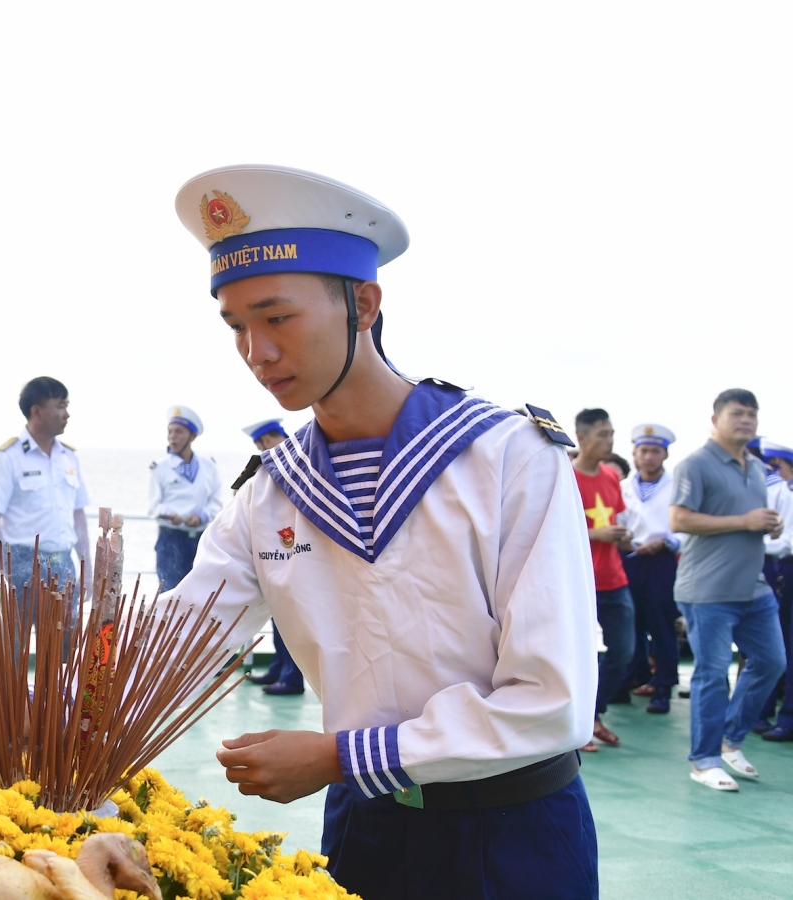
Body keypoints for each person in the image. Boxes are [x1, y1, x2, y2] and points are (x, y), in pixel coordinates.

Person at [161, 165, 598, 898]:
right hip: (366, 832)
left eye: (277, 317)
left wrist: (341, 758)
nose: (256, 353)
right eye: (236, 326)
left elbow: (551, 698)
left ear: (362, 303)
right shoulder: (269, 494)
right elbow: (178, 636)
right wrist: (49, 692)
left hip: (513, 834)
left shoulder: (504, 457)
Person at [669, 388, 786, 792]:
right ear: (715, 419)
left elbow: (752, 520)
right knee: (713, 674)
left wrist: (770, 524)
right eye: (737, 413)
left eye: (752, 414)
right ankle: (703, 761)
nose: (746, 420)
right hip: (708, 589)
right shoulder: (695, 465)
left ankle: (731, 739)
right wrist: (745, 521)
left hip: (753, 588)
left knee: (772, 661)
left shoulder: (755, 467)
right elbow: (679, 519)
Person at [0, 377, 91, 606]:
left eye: (67, 406)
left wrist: (86, 568)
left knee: (66, 641)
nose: (66, 414)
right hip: (21, 569)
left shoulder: (69, 457)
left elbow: (78, 515)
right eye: (60, 406)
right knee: (15, 642)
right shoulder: (6, 457)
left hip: (64, 566)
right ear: (36, 412)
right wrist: (1, 573)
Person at [571, 408, 634, 750]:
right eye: (602, 435)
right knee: (580, 654)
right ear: (581, 438)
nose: (609, 441)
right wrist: (599, 533)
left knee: (624, 651)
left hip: (614, 578)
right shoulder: (564, 476)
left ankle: (593, 714)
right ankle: (579, 723)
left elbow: (615, 517)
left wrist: (623, 537)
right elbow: (555, 528)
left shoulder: (611, 475)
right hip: (580, 582)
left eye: (611, 434)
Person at [620, 423, 682, 714]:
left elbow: (686, 527)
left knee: (661, 624)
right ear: (634, 453)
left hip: (661, 559)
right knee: (629, 624)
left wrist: (667, 542)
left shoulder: (678, 487)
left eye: (655, 451)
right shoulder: (622, 488)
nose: (648, 457)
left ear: (665, 455)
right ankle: (630, 679)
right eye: (643, 450)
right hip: (629, 558)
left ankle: (663, 687)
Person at [239, 418, 303, 693]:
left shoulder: (299, 460)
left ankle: (292, 678)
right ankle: (279, 668)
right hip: (279, 546)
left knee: (294, 617)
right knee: (280, 613)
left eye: (261, 444)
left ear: (267, 440)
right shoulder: (277, 465)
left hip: (297, 549)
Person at [148, 405, 223, 592]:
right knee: (171, 598)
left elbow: (216, 501)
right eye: (170, 431)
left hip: (201, 539)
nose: (172, 436)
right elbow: (153, 507)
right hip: (170, 540)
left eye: (179, 432)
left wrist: (201, 516)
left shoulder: (208, 466)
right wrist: (170, 514)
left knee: (202, 596)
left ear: (192, 436)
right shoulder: (160, 468)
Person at [750, 440, 793, 740]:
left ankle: (784, 718)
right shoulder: (780, 490)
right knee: (777, 646)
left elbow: (785, 541)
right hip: (776, 569)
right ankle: (764, 714)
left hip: (781, 565)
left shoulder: (781, 491)